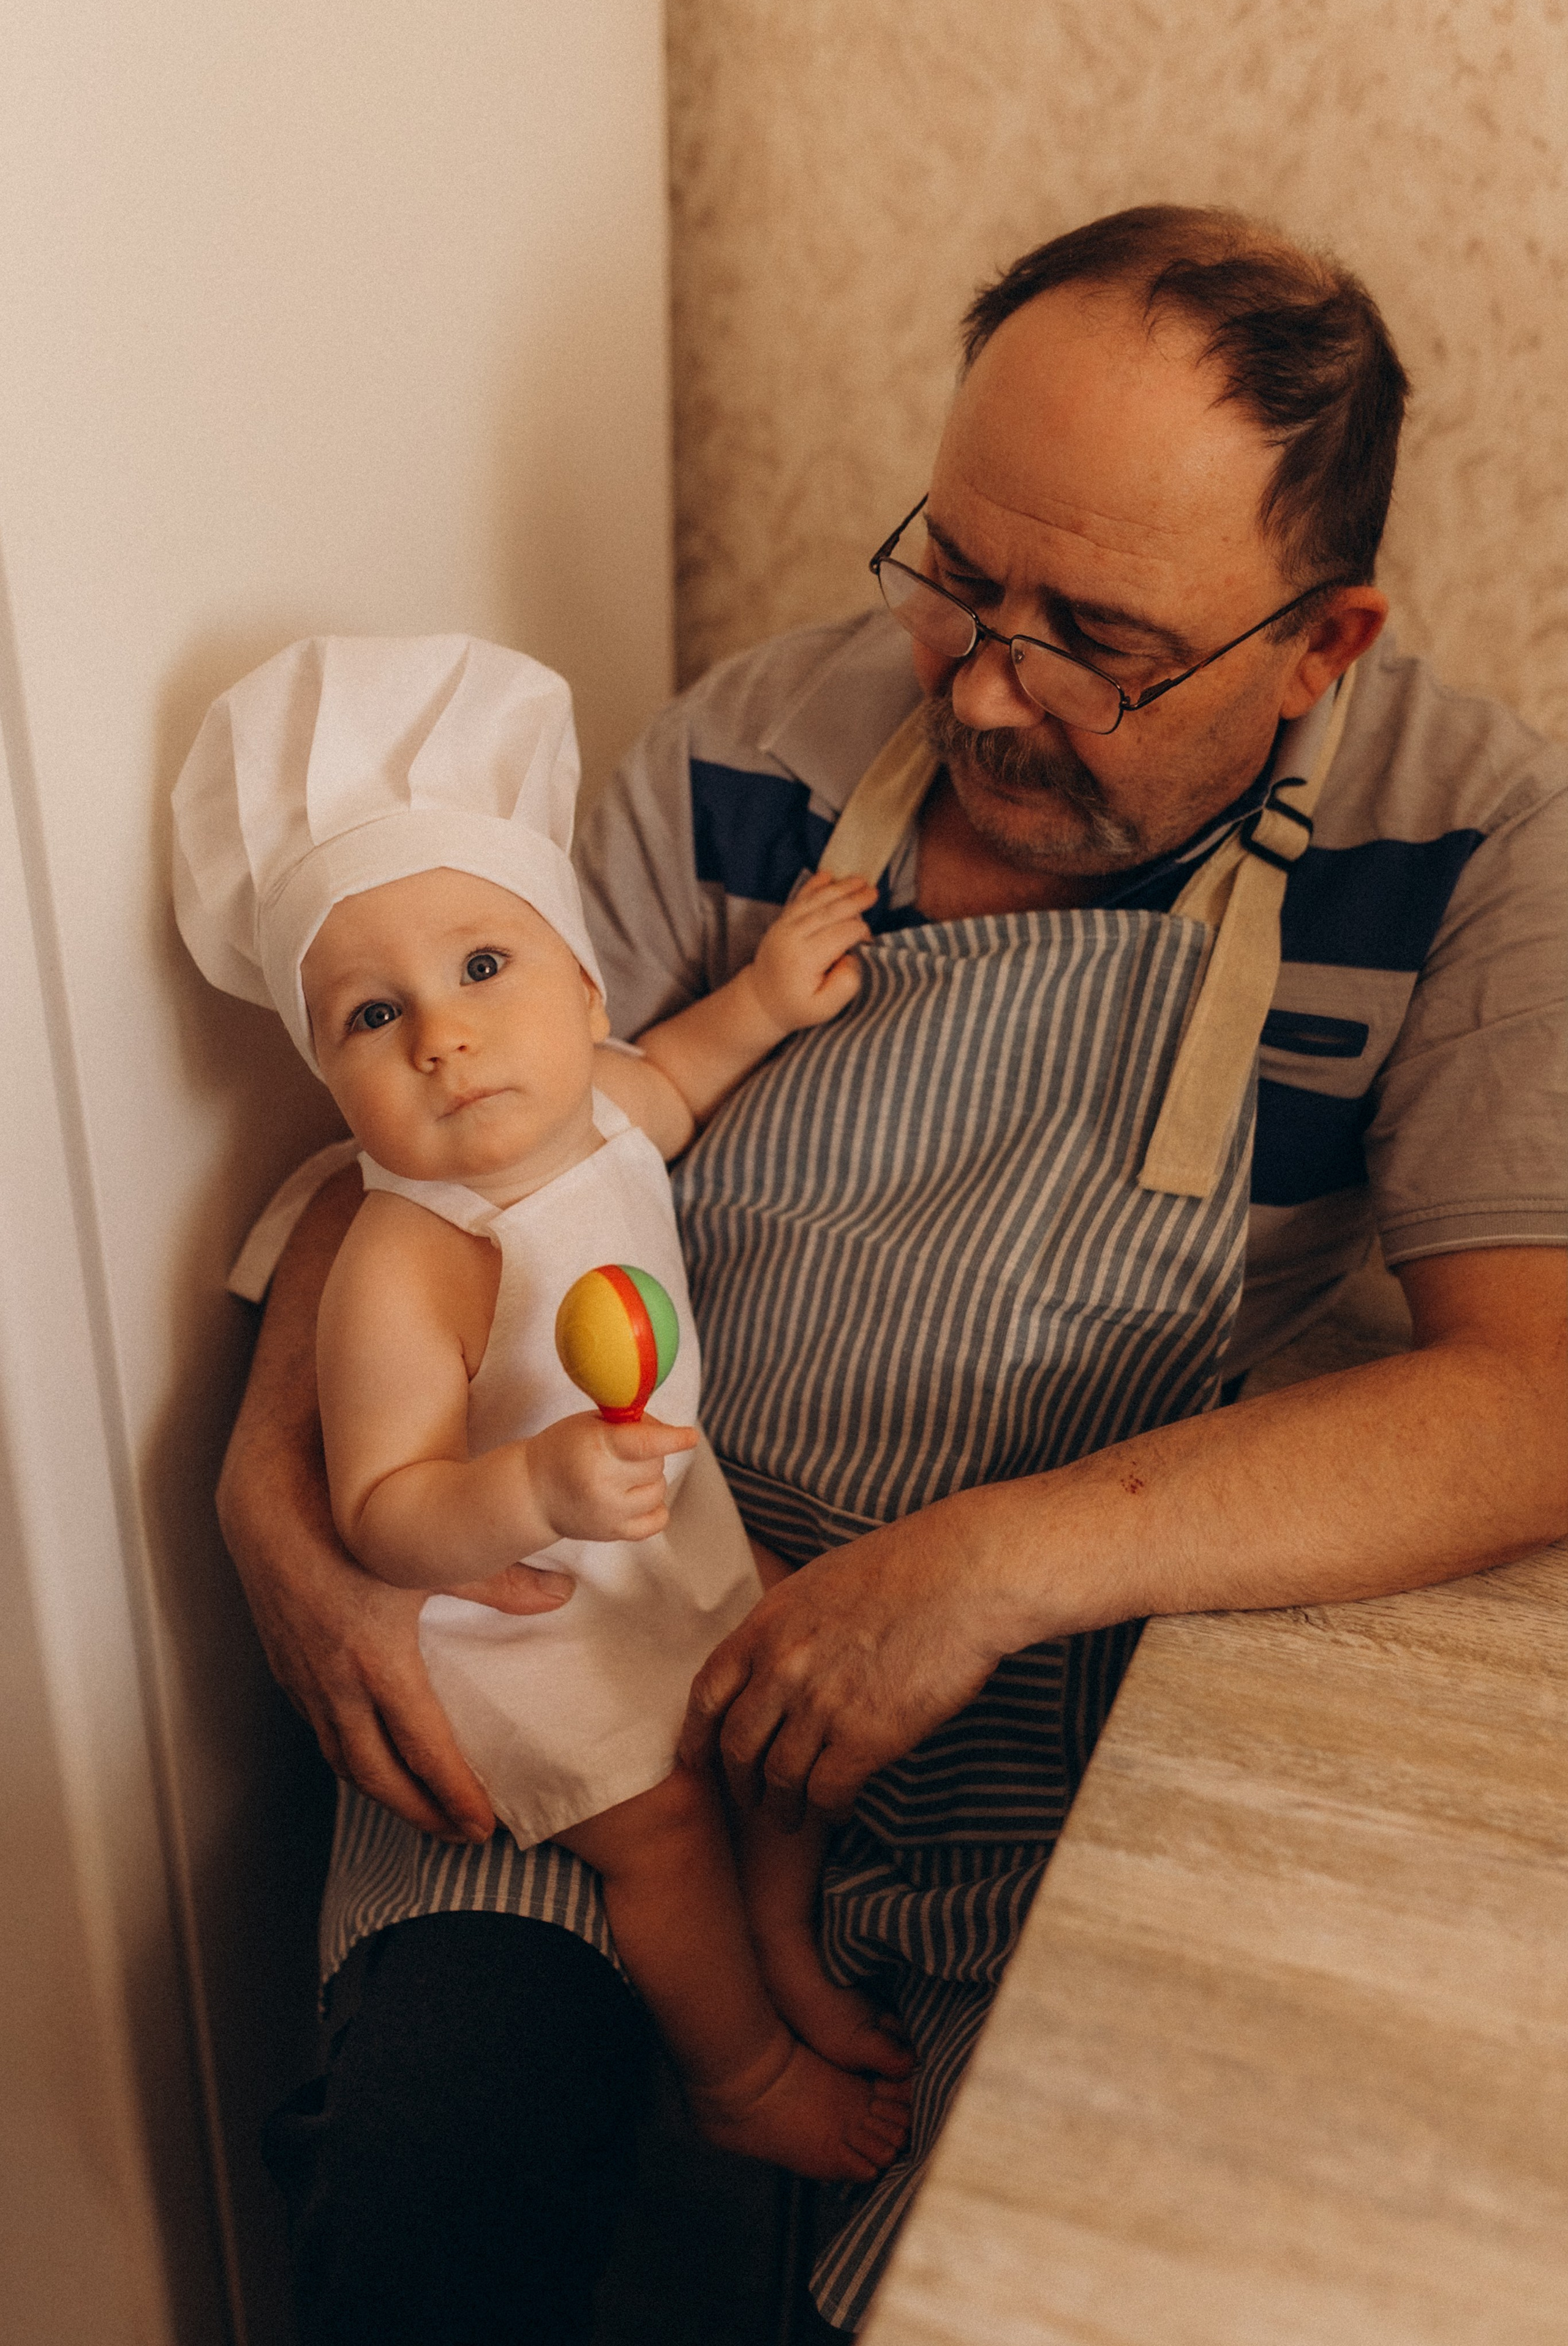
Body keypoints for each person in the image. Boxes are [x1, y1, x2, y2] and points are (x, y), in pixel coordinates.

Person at [217, 207, 1566, 2340]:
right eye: (958, 573)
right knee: (435, 2184)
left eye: (1098, 637)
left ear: (1325, 643)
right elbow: (444, 1142)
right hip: (591, 1607)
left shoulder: (1476, 846)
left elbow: (1529, 1396)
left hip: (1035, 1696)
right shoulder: (760, 747)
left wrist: (984, 1569)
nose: (988, 683)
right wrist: (278, 1508)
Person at [174, 635, 911, 2187]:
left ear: (584, 989)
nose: (438, 1034)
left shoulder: (599, 1115)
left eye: (480, 968)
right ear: (326, 1079)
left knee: (782, 1667)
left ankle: (786, 1931)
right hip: (514, 1618)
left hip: (651, 1538)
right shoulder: (409, 1256)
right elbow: (385, 1513)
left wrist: (768, 998)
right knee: (653, 1834)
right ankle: (739, 2064)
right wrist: (538, 1489)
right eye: (369, 1017)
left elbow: (686, 1073)